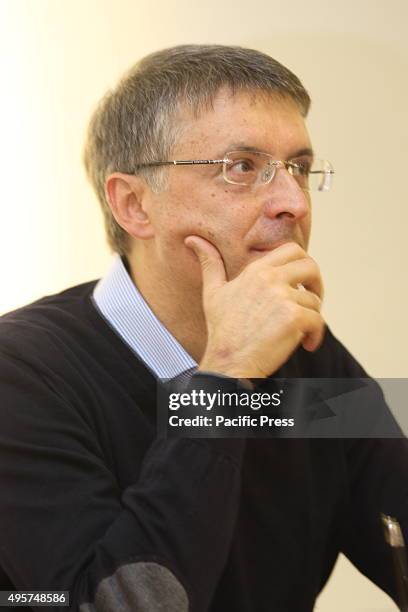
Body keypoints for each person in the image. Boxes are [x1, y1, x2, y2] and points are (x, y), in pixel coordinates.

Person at [0, 44, 406, 612]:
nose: (293, 202)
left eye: (298, 168)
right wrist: (226, 378)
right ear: (135, 204)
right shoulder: (20, 374)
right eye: (243, 168)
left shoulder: (309, 357)